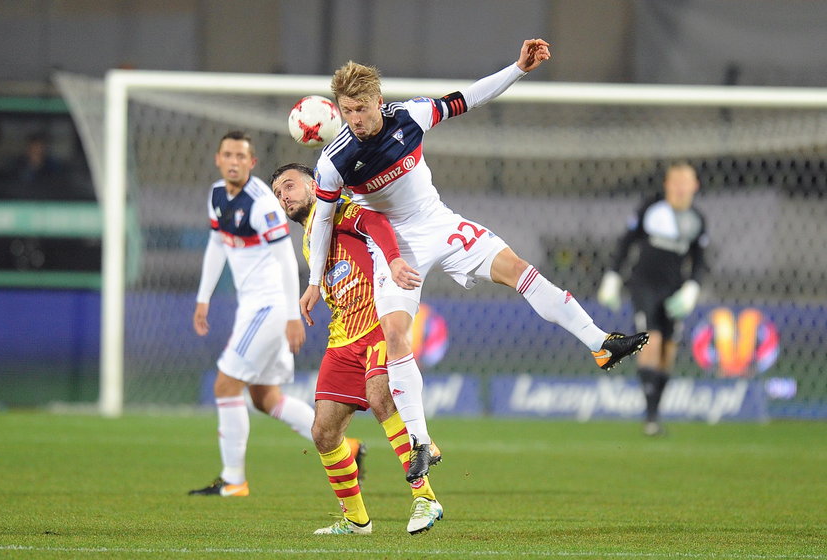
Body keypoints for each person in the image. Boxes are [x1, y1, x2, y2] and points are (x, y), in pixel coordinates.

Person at [301, 39, 649, 481]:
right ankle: (420, 443)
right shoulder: (334, 161)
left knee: (519, 270)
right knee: (395, 336)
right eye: (347, 111)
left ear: (378, 101)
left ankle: (600, 343)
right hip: (393, 246)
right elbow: (327, 218)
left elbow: (469, 97)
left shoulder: (410, 116)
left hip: (440, 224)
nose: (356, 119)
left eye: (363, 108)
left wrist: (518, 68)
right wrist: (314, 281)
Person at [189, 131, 363, 497]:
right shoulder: (217, 196)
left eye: (241, 155)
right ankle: (348, 449)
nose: (234, 161)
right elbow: (217, 244)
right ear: (219, 160)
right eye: (228, 155)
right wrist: (203, 297)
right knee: (264, 397)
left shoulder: (262, 203)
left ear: (251, 163)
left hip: (269, 306)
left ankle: (234, 480)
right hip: (253, 306)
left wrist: (289, 315)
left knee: (225, 386)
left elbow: (286, 256)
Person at [272, 163, 443, 535]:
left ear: (315, 186)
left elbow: (375, 223)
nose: (284, 196)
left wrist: (395, 260)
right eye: (278, 193)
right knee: (323, 432)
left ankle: (426, 498)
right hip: (343, 337)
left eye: (289, 186)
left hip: (379, 324)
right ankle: (356, 521)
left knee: (382, 399)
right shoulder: (308, 236)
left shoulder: (336, 209)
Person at [597, 162, 708, 436]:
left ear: (695, 186)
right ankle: (650, 417)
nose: (681, 188)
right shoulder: (650, 209)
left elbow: (699, 261)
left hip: (674, 291)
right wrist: (612, 277)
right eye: (676, 182)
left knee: (668, 351)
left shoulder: (697, 220)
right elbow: (626, 242)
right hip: (644, 285)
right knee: (652, 340)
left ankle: (655, 414)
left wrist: (692, 288)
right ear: (667, 185)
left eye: (687, 183)